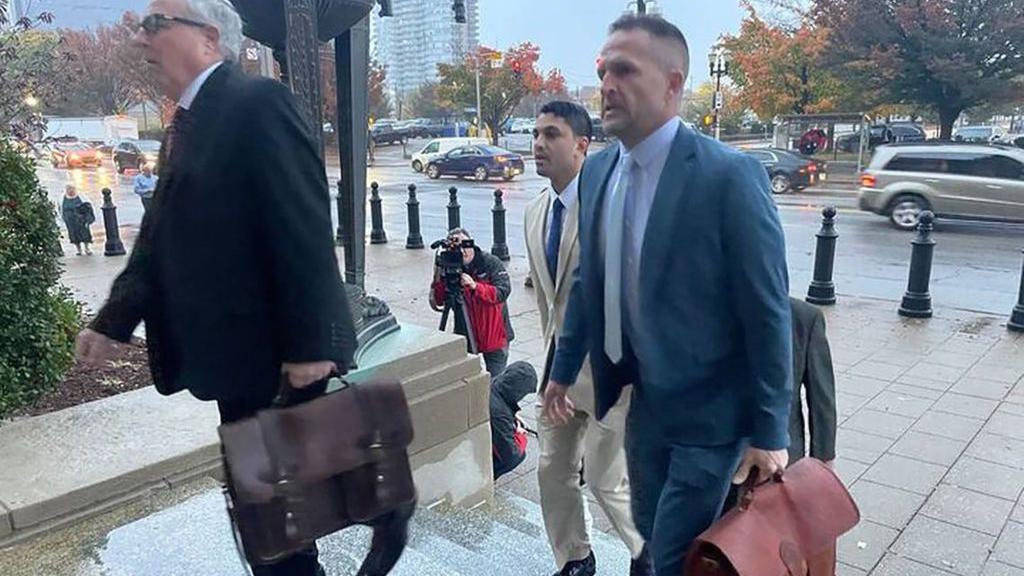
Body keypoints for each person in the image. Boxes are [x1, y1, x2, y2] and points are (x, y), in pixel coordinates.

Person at [73, 0, 356, 574]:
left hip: (277, 365)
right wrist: (113, 321)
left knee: (281, 528)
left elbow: (302, 225)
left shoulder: (257, 104)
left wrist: (309, 349)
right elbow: (157, 238)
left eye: (154, 26)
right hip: (235, 363)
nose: (140, 42)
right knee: (268, 522)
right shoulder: (187, 121)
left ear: (207, 36)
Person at [542, 14, 793, 576]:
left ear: (673, 84)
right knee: (653, 539)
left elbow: (768, 310)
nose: (607, 83)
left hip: (713, 417)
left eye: (625, 70)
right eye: (604, 69)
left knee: (671, 550)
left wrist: (769, 432)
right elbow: (588, 283)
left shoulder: (728, 175)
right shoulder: (599, 170)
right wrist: (562, 370)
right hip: (644, 406)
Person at [525, 101, 650, 576]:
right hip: (557, 375)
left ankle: (650, 554)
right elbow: (550, 303)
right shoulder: (535, 211)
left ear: (582, 145)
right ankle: (576, 557)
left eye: (551, 135)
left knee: (604, 479)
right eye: (536, 134)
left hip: (611, 376)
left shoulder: (614, 208)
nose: (538, 144)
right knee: (551, 471)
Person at [429, 227, 514, 378]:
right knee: (469, 382)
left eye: (465, 245)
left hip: (494, 336)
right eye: (456, 247)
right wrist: (440, 273)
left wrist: (476, 286)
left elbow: (503, 291)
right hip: (466, 333)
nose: (462, 251)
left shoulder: (490, 262)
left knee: (496, 385)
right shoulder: (447, 265)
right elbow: (439, 300)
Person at [490, 361, 538, 480]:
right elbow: (510, 454)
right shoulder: (499, 414)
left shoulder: (493, 383)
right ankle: (484, 480)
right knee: (517, 456)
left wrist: (513, 417)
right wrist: (519, 434)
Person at [61, 184, 94, 255]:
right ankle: (79, 250)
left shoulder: (81, 196)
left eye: (72, 188)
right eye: (68, 189)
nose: (70, 190)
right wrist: (64, 218)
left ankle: (87, 249)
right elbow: (61, 209)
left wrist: (87, 218)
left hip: (81, 220)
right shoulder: (63, 198)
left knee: (85, 233)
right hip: (70, 220)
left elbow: (88, 206)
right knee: (74, 234)